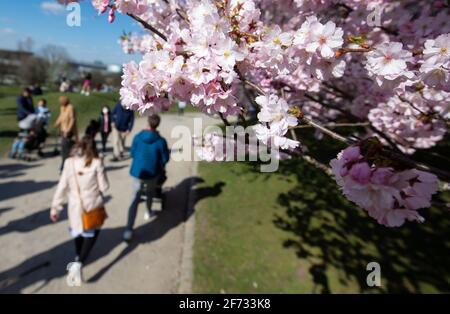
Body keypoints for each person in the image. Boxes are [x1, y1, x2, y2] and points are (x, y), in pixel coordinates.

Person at [50, 135, 109, 285]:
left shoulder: (69, 162)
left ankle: (78, 256)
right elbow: (104, 187)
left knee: (78, 233)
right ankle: (79, 263)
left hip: (75, 206)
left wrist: (55, 208)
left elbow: (62, 186)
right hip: (92, 205)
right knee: (92, 233)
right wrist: (102, 167)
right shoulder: (97, 162)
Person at [123, 114, 169, 242]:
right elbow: (165, 159)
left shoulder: (138, 137)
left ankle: (128, 229)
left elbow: (132, 153)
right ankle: (148, 211)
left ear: (147, 123)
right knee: (150, 193)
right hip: (152, 173)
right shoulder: (161, 141)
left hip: (138, 172)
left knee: (134, 199)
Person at [55, 96, 78, 171]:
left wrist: (68, 130)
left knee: (66, 148)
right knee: (65, 148)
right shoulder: (62, 107)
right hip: (63, 130)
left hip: (69, 132)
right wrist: (57, 123)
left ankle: (64, 165)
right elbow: (61, 116)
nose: (60, 103)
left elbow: (72, 119)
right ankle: (66, 165)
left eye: (61, 101)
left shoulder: (70, 107)